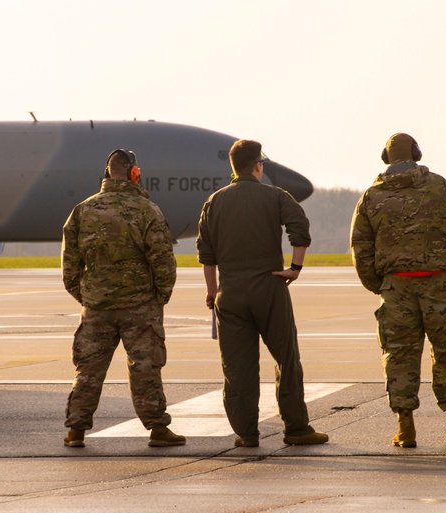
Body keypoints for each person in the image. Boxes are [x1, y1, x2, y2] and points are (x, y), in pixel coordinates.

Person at [196, 139, 329, 448]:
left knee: (238, 367)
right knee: (286, 358)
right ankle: (296, 428)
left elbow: (206, 254)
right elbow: (300, 229)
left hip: (230, 293)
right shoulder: (275, 196)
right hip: (269, 287)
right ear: (257, 165)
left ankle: (246, 433)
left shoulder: (214, 201)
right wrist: (294, 268)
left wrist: (213, 291)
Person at [350, 133, 446, 448]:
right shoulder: (440, 187)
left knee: (399, 357)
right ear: (417, 154)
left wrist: (380, 284)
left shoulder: (372, 196)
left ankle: (406, 428)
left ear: (387, 157)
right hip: (440, 285)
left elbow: (360, 247)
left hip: (397, 288)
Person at [61, 149, 185, 448]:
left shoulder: (83, 210)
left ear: (106, 174)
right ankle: (157, 428)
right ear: (134, 173)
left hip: (96, 307)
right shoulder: (146, 210)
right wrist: (158, 298)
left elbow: (70, 266)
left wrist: (88, 295)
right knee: (145, 368)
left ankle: (76, 430)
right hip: (139, 306)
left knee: (88, 370)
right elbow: (163, 261)